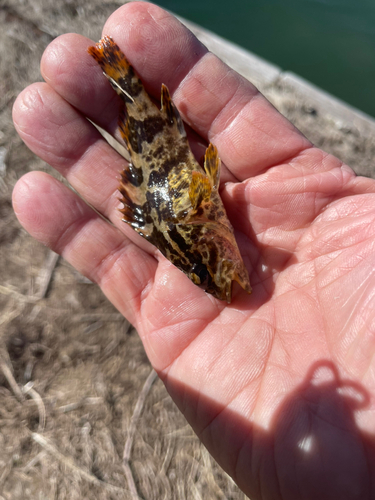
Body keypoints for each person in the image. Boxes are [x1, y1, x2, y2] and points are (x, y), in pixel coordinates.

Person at [12, 2, 375, 499]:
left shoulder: (205, 231)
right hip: (168, 177)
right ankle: (121, 78)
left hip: (164, 174)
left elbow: (198, 202)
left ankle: (122, 77)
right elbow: (197, 201)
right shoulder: (201, 235)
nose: (221, 277)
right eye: (208, 272)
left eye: (210, 269)